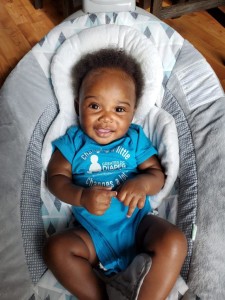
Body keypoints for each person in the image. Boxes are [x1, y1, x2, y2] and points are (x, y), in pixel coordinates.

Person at [43, 48, 187, 300]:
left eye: (119, 110)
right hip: (92, 236)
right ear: (78, 107)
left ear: (133, 113)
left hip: (138, 227)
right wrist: (81, 196)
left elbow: (157, 174)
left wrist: (142, 183)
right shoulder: (73, 142)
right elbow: (55, 179)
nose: (106, 118)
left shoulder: (134, 139)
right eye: (95, 105)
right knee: (56, 249)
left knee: (174, 240)